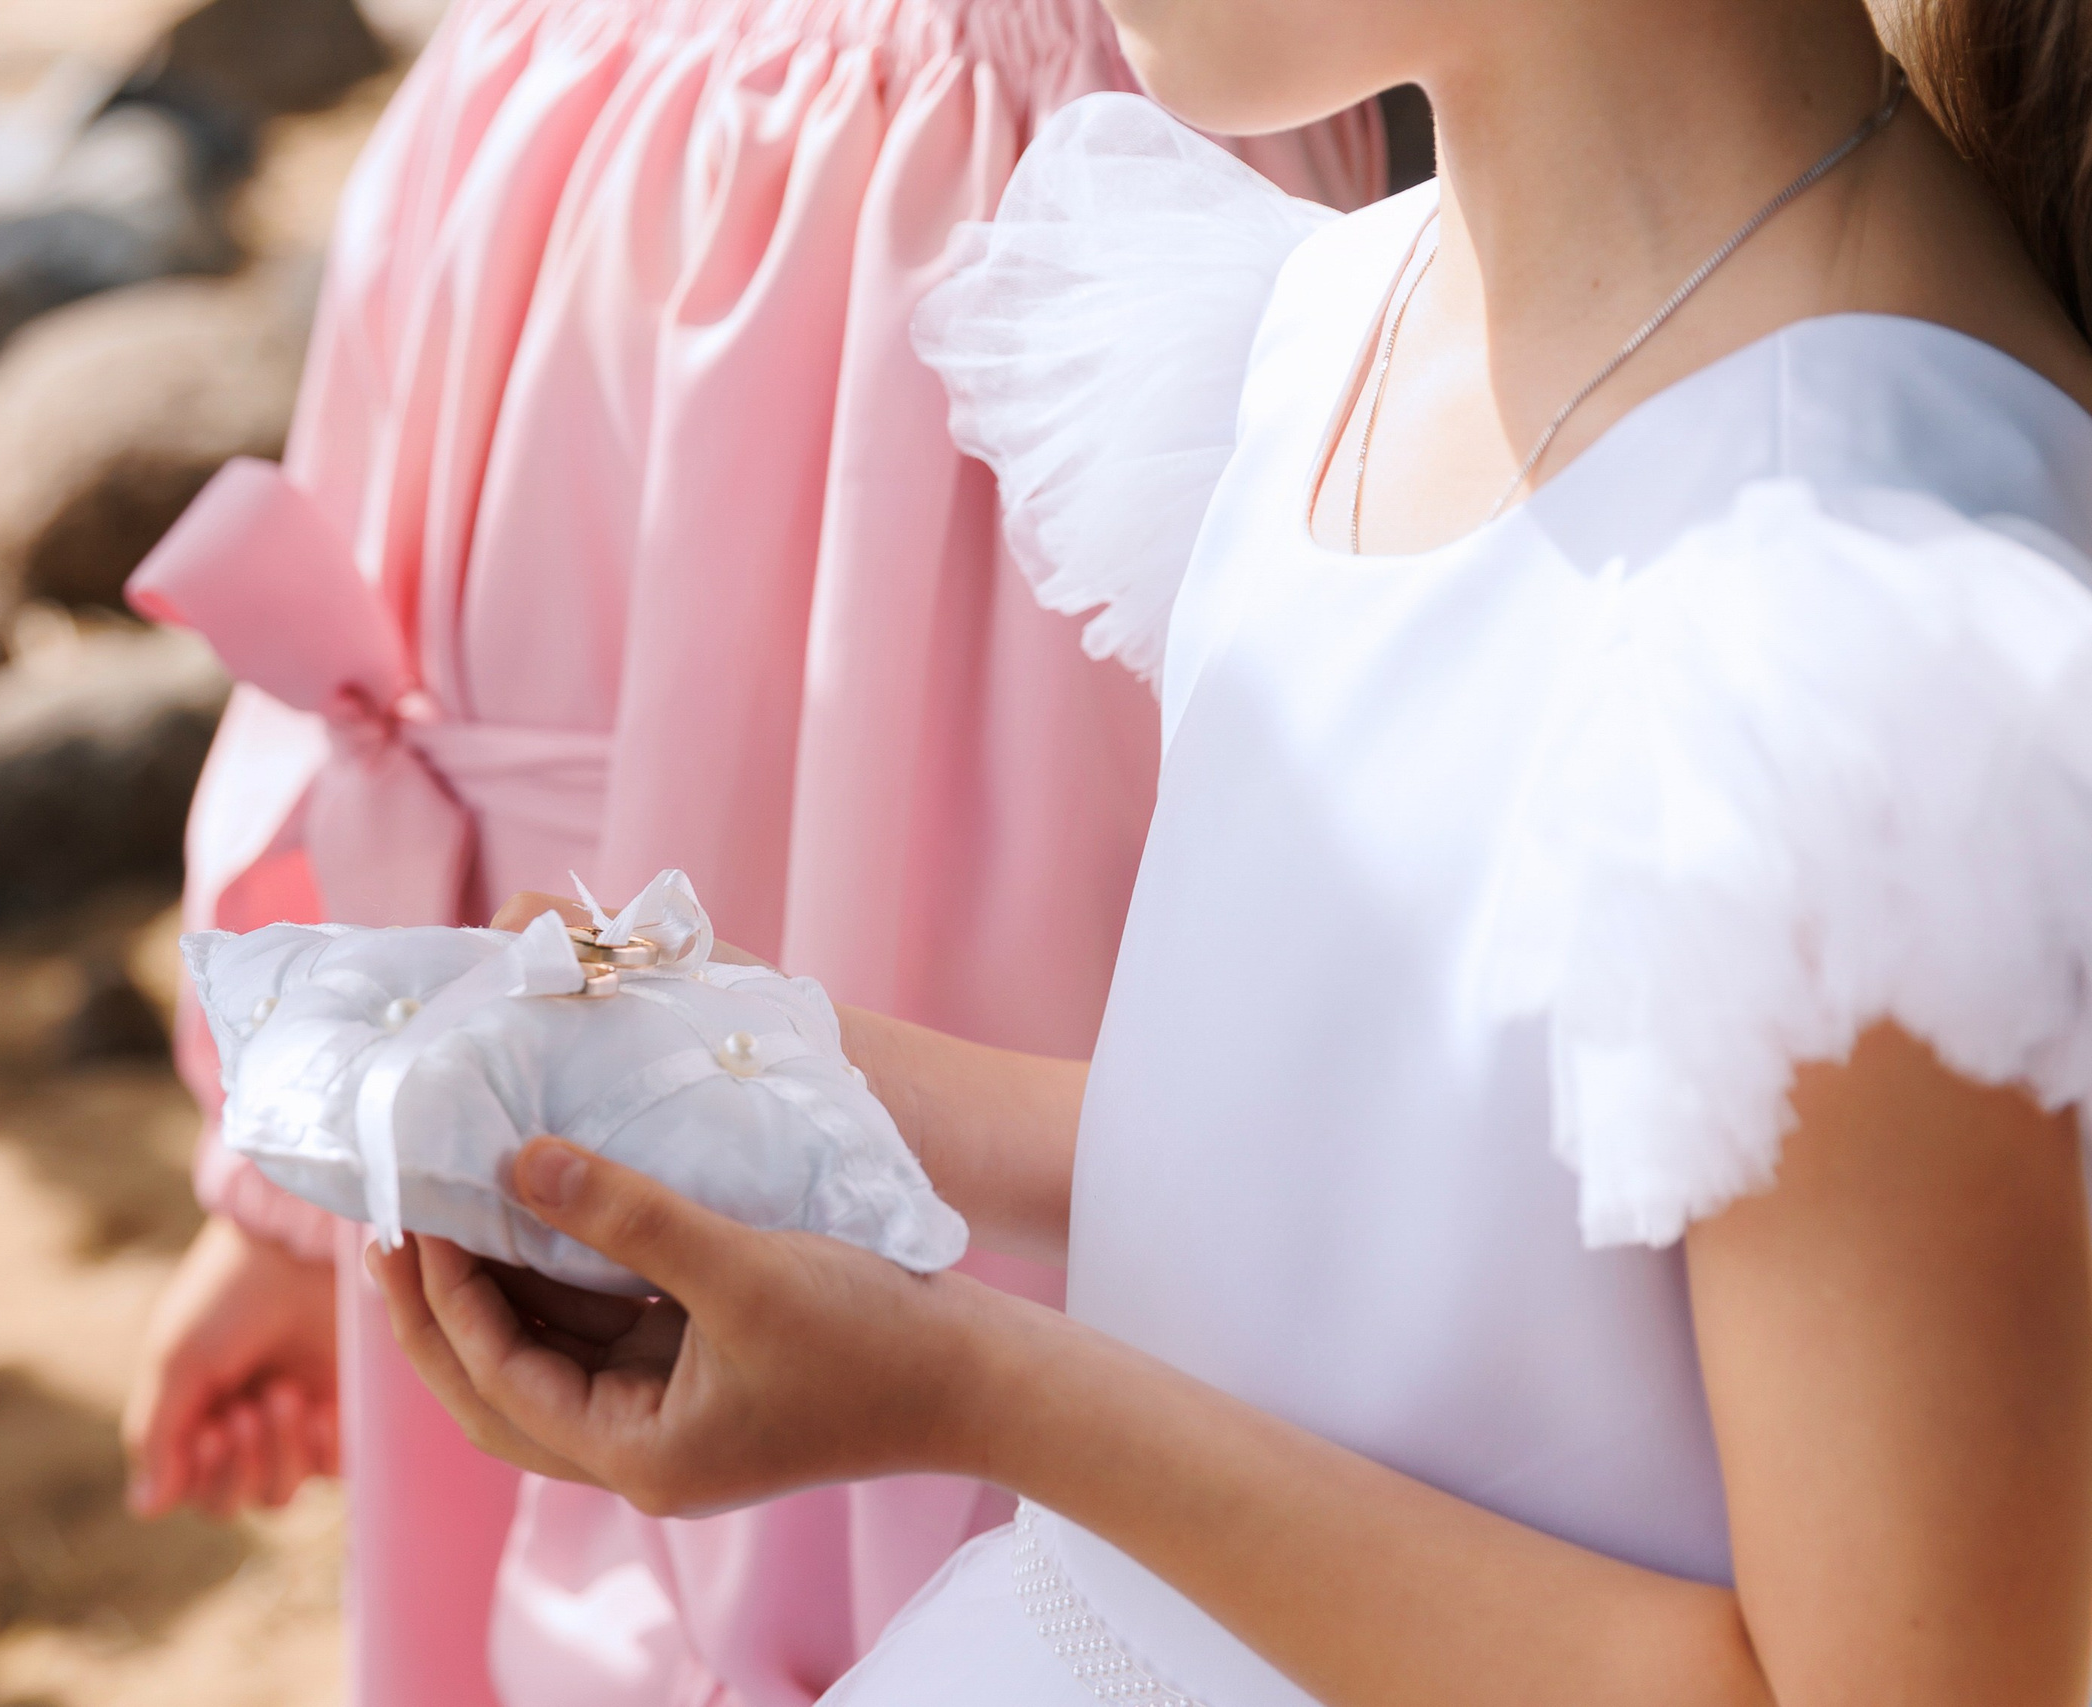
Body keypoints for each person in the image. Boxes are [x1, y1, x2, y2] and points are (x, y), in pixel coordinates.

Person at [373, 0, 2092, 1701]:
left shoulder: (1856, 678)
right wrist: (751, 1076)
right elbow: (1405, 1190)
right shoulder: (1368, 312)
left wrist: (968, 1389)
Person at [115, 0, 1389, 1703]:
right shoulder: (534, 90)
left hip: (1031, 200)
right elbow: (375, 687)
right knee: (563, 1288)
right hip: (617, 140)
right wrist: (284, 1189)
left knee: (953, 1223)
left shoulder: (1132, 123)